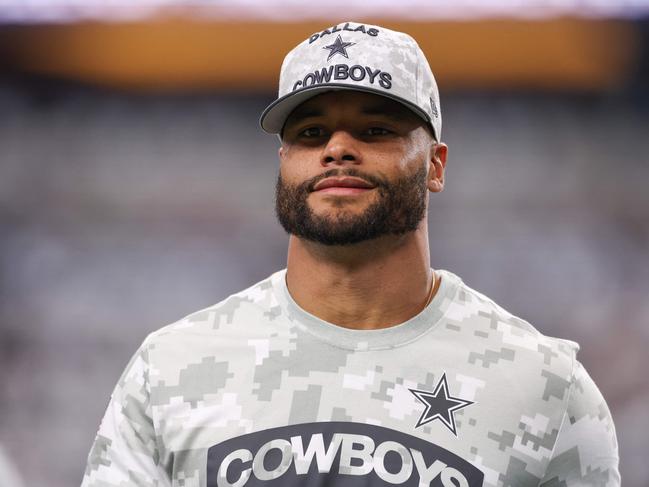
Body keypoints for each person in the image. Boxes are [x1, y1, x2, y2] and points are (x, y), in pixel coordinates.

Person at [81, 21, 620, 487]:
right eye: (311, 132)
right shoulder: (172, 368)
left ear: (436, 165)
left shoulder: (545, 386)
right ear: (284, 162)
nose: (337, 147)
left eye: (375, 129)